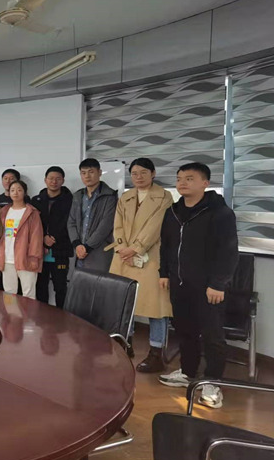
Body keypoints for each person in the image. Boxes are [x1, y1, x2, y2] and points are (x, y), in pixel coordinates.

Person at [158, 163, 239, 409]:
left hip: (208, 288)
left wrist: (218, 283)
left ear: (205, 183)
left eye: (189, 178)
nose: (182, 183)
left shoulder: (220, 213)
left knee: (213, 336)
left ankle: (212, 382)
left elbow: (228, 252)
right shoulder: (173, 212)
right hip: (179, 284)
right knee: (185, 331)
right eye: (179, 178)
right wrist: (164, 273)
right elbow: (166, 246)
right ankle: (188, 372)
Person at [107, 158, 173, 373]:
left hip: (151, 256)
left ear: (153, 173)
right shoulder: (125, 197)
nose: (138, 177)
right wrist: (121, 248)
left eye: (143, 172)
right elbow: (117, 226)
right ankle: (124, 345)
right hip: (123, 257)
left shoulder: (164, 196)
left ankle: (156, 353)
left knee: (156, 307)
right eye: (134, 173)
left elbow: (156, 226)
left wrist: (136, 248)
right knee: (123, 304)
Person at [31, 166, 73, 308]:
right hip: (40, 251)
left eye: (58, 179)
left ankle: (62, 316)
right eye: (51, 178)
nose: (54, 182)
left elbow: (70, 223)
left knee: (60, 287)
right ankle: (43, 316)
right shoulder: (36, 200)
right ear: (45, 180)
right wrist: (43, 238)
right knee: (41, 286)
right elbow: (33, 225)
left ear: (63, 181)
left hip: (60, 250)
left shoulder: (70, 200)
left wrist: (53, 238)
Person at [68, 158, 117, 272]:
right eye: (83, 173)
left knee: (99, 281)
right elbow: (71, 222)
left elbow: (106, 225)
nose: (87, 176)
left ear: (99, 172)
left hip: (99, 251)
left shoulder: (110, 196)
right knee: (79, 282)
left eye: (91, 172)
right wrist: (77, 244)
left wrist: (88, 247)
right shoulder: (78, 196)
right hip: (78, 252)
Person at [0, 180, 43, 297]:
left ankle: (28, 311)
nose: (15, 193)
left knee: (28, 294)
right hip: (7, 258)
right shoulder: (4, 211)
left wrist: (34, 258)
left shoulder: (32, 212)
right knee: (9, 294)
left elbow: (36, 237)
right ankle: (11, 311)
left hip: (26, 258)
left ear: (25, 192)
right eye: (12, 190)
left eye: (19, 190)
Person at [0, 169, 20, 290]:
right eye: (5, 178)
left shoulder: (24, 200)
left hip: (17, 243)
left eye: (12, 178)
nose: (8, 181)